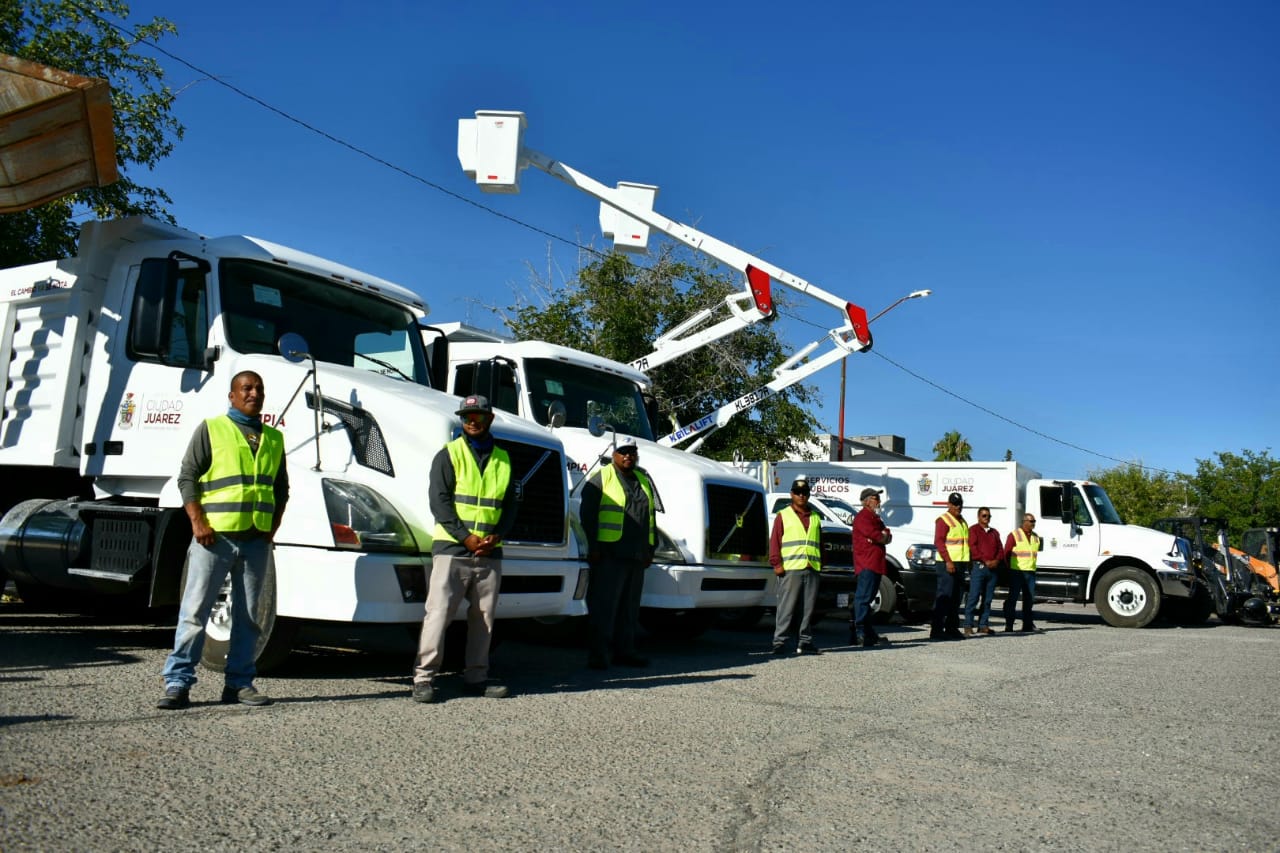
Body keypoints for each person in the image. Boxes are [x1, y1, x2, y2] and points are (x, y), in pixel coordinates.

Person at [157, 370, 289, 709]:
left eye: (259, 388)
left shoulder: (274, 439)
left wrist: (271, 529)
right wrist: (197, 522)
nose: (254, 393)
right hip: (214, 538)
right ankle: (177, 683)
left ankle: (239, 684)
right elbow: (187, 476)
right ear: (232, 395)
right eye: (246, 388)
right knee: (195, 612)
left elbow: (281, 489)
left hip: (255, 541)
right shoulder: (212, 429)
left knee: (248, 618)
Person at [412, 395, 515, 702]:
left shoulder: (504, 459)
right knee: (438, 614)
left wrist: (496, 535)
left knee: (484, 619)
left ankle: (476, 678)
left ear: (489, 419)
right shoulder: (449, 454)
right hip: (452, 549)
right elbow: (439, 502)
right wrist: (465, 537)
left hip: (489, 552)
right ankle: (423, 679)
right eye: (466, 416)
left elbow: (510, 506)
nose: (472, 421)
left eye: (478, 416)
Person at [581, 437, 657, 670]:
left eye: (632, 452)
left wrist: (650, 548)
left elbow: (651, 517)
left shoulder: (643, 479)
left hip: (636, 555)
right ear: (613, 454)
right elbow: (587, 515)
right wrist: (594, 547)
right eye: (623, 452)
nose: (628, 456)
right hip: (609, 554)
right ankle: (599, 655)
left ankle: (625, 651)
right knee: (605, 607)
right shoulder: (601, 477)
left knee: (630, 608)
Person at [768, 478, 823, 656]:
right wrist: (776, 563)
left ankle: (805, 641)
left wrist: (821, 564)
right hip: (790, 568)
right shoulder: (783, 515)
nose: (801, 496)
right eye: (798, 493)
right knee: (787, 608)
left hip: (812, 567)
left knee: (808, 609)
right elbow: (775, 542)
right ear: (791, 494)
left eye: (805, 493)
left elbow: (820, 543)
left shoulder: (815, 517)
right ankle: (780, 642)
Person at [851, 487, 892, 648]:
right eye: (876, 498)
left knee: (868, 599)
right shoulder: (863, 518)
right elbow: (877, 535)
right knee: (863, 598)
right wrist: (882, 536)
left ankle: (868, 633)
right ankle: (859, 631)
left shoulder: (875, 518)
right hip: (866, 564)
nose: (879, 501)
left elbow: (886, 533)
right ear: (867, 501)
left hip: (876, 564)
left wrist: (883, 535)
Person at [930, 492, 969, 641]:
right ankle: (936, 630)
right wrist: (948, 561)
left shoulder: (962, 521)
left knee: (956, 598)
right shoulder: (944, 520)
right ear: (949, 504)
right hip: (947, 564)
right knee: (944, 597)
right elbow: (939, 542)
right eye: (955, 504)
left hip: (960, 563)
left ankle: (952, 628)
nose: (958, 507)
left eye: (960, 504)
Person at [964, 506, 1002, 636]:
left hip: (992, 570)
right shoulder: (973, 530)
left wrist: (996, 561)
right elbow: (973, 548)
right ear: (978, 517)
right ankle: (968, 625)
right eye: (984, 515)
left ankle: (983, 625)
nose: (986, 518)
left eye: (988, 516)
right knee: (973, 597)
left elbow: (1000, 549)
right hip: (979, 567)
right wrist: (986, 560)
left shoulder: (994, 532)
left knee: (987, 599)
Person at [1002, 513, 1043, 633]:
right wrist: (1008, 570)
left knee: (1029, 600)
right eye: (1031, 521)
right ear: (1024, 522)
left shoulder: (1035, 537)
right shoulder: (1014, 535)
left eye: (1034, 521)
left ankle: (1027, 624)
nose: (1033, 523)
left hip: (1030, 572)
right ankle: (1009, 625)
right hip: (1017, 572)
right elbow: (1006, 553)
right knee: (1013, 599)